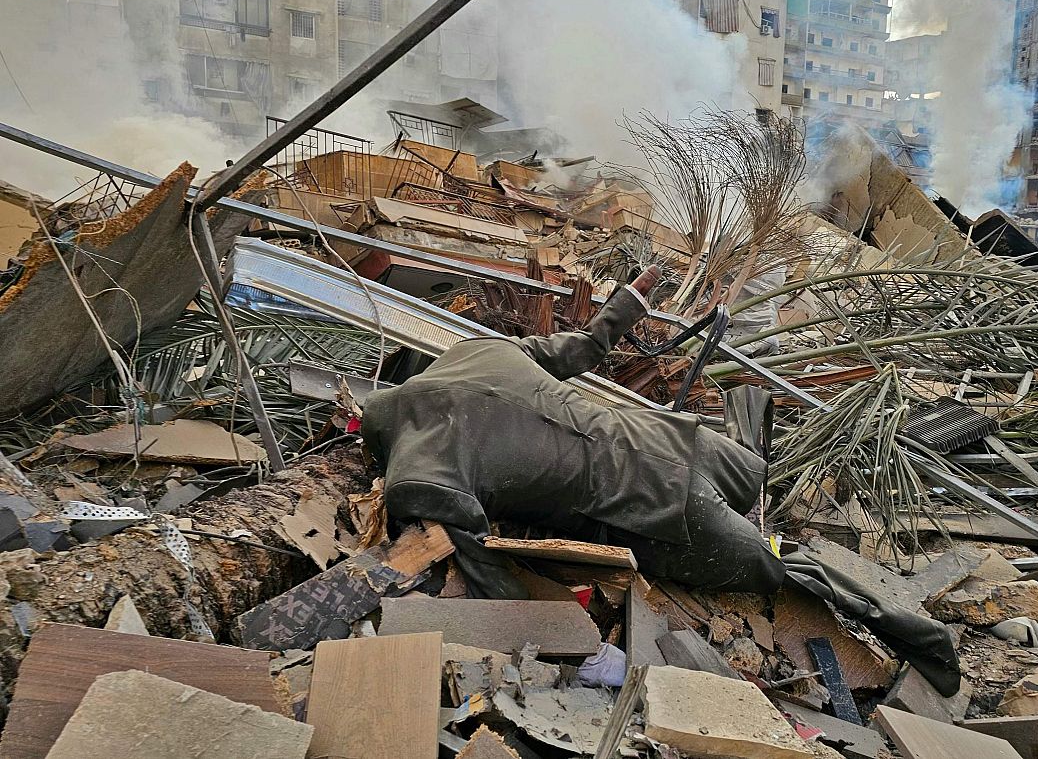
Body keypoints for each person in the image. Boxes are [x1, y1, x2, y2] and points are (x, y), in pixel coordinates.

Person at [361, 267, 961, 696]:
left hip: (656, 507)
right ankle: (771, 522)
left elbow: (486, 567)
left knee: (782, 566)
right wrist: (628, 301)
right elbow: (580, 350)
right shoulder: (475, 351)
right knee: (760, 517)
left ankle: (924, 642)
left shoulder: (417, 471)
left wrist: (562, 641)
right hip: (682, 441)